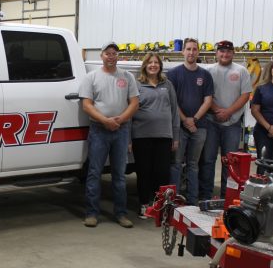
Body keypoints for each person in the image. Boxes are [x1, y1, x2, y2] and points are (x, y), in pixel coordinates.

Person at [79, 42, 139, 228]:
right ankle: (92, 213)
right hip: (99, 130)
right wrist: (105, 121)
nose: (111, 56)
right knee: (94, 173)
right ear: (101, 56)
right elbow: (87, 105)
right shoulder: (91, 77)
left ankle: (121, 213)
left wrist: (119, 120)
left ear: (117, 56)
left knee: (119, 175)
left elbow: (134, 103)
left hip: (121, 131)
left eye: (114, 53)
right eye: (107, 53)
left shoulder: (127, 76)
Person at [199, 40, 252, 201]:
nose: (225, 54)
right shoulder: (207, 70)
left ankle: (226, 197)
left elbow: (245, 95)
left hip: (233, 124)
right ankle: (205, 196)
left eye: (228, 51)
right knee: (208, 160)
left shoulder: (241, 71)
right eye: (221, 51)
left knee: (230, 163)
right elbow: (205, 94)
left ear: (233, 53)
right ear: (216, 53)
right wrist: (217, 110)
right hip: (211, 122)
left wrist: (228, 112)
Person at [131, 52, 179, 218]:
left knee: (162, 173)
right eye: (150, 62)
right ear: (145, 65)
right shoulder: (136, 85)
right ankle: (144, 205)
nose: (153, 65)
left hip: (164, 136)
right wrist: (129, 138)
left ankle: (160, 207)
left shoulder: (168, 85)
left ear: (160, 66)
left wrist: (176, 137)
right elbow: (129, 112)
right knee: (144, 172)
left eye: (156, 63)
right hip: (141, 136)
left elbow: (174, 112)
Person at [167, 38, 213, 205]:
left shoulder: (205, 75)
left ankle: (193, 201)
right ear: (183, 52)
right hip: (179, 127)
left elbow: (208, 100)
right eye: (188, 49)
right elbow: (172, 101)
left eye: (194, 49)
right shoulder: (173, 74)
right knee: (176, 163)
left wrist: (193, 119)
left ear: (198, 52)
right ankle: (173, 200)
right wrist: (185, 120)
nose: (191, 52)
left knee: (193, 164)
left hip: (199, 127)